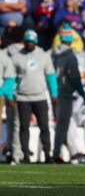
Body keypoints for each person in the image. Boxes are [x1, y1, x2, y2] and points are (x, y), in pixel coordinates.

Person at [8, 29, 58, 163]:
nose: (29, 44)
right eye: (27, 42)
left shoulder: (44, 56)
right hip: (23, 97)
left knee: (44, 127)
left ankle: (47, 155)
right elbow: (11, 78)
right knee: (24, 128)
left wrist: (54, 93)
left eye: (32, 42)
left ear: (35, 42)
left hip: (40, 96)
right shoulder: (16, 57)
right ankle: (25, 156)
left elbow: (51, 76)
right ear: (24, 42)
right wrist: (10, 95)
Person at [50, 24, 85, 163]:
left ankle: (67, 152)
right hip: (64, 93)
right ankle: (56, 153)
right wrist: (83, 93)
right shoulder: (70, 56)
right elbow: (74, 78)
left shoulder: (51, 53)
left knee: (59, 124)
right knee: (63, 125)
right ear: (71, 39)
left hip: (51, 93)